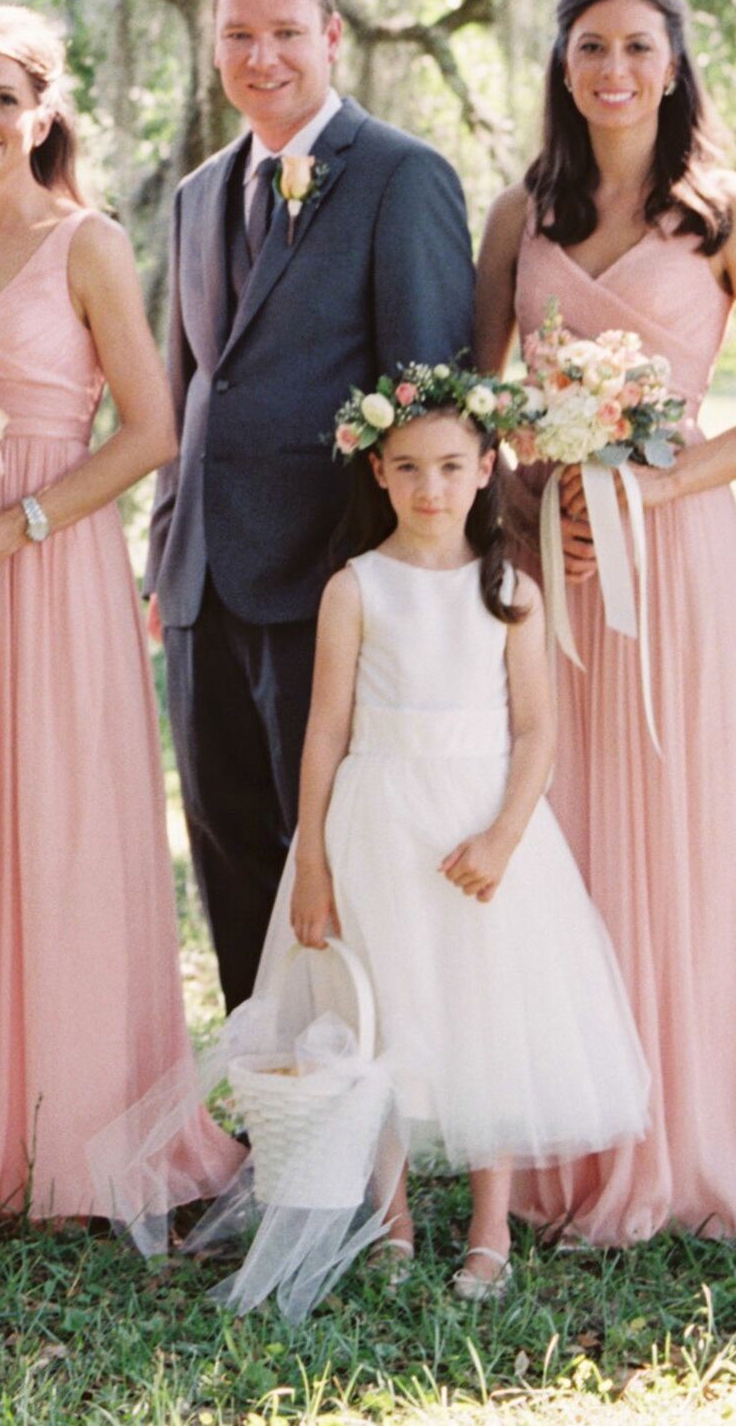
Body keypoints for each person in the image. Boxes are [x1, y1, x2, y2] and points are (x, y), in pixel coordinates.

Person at [470, 0, 736, 1247]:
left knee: (689, 831)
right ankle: (566, 1138)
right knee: (563, 833)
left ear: (673, 60)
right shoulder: (514, 219)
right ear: (559, 62)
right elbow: (479, 406)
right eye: (589, 45)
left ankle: (696, 1133)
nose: (612, 69)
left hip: (680, 561)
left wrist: (648, 488)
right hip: (551, 572)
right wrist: (530, 498)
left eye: (637, 45)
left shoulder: (726, 212)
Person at [0, 6, 238, 1225]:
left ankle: (88, 1137)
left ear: (42, 114)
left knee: (64, 834)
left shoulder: (88, 246)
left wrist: (10, 532)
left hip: (52, 565)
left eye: (1, 97)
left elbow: (150, 428)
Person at [147, 0, 475, 1011]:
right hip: (203, 588)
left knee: (330, 856)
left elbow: (430, 398)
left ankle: (356, 1113)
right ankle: (271, 1100)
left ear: (330, 37)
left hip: (329, 588)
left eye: (286, 31)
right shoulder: (198, 195)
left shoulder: (401, 177)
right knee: (229, 850)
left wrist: (399, 586)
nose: (262, 55)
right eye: (238, 35)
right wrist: (164, 561)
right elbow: (187, 390)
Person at [277, 371, 648, 1300]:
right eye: (407, 468)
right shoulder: (354, 589)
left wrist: (503, 836)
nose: (429, 489)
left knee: (488, 1014)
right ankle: (391, 1219)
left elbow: (536, 731)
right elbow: (325, 730)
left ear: (487, 470)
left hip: (479, 831)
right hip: (374, 824)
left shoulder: (508, 589)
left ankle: (491, 1231)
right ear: (378, 472)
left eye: (449, 466)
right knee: (384, 1012)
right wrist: (312, 863)